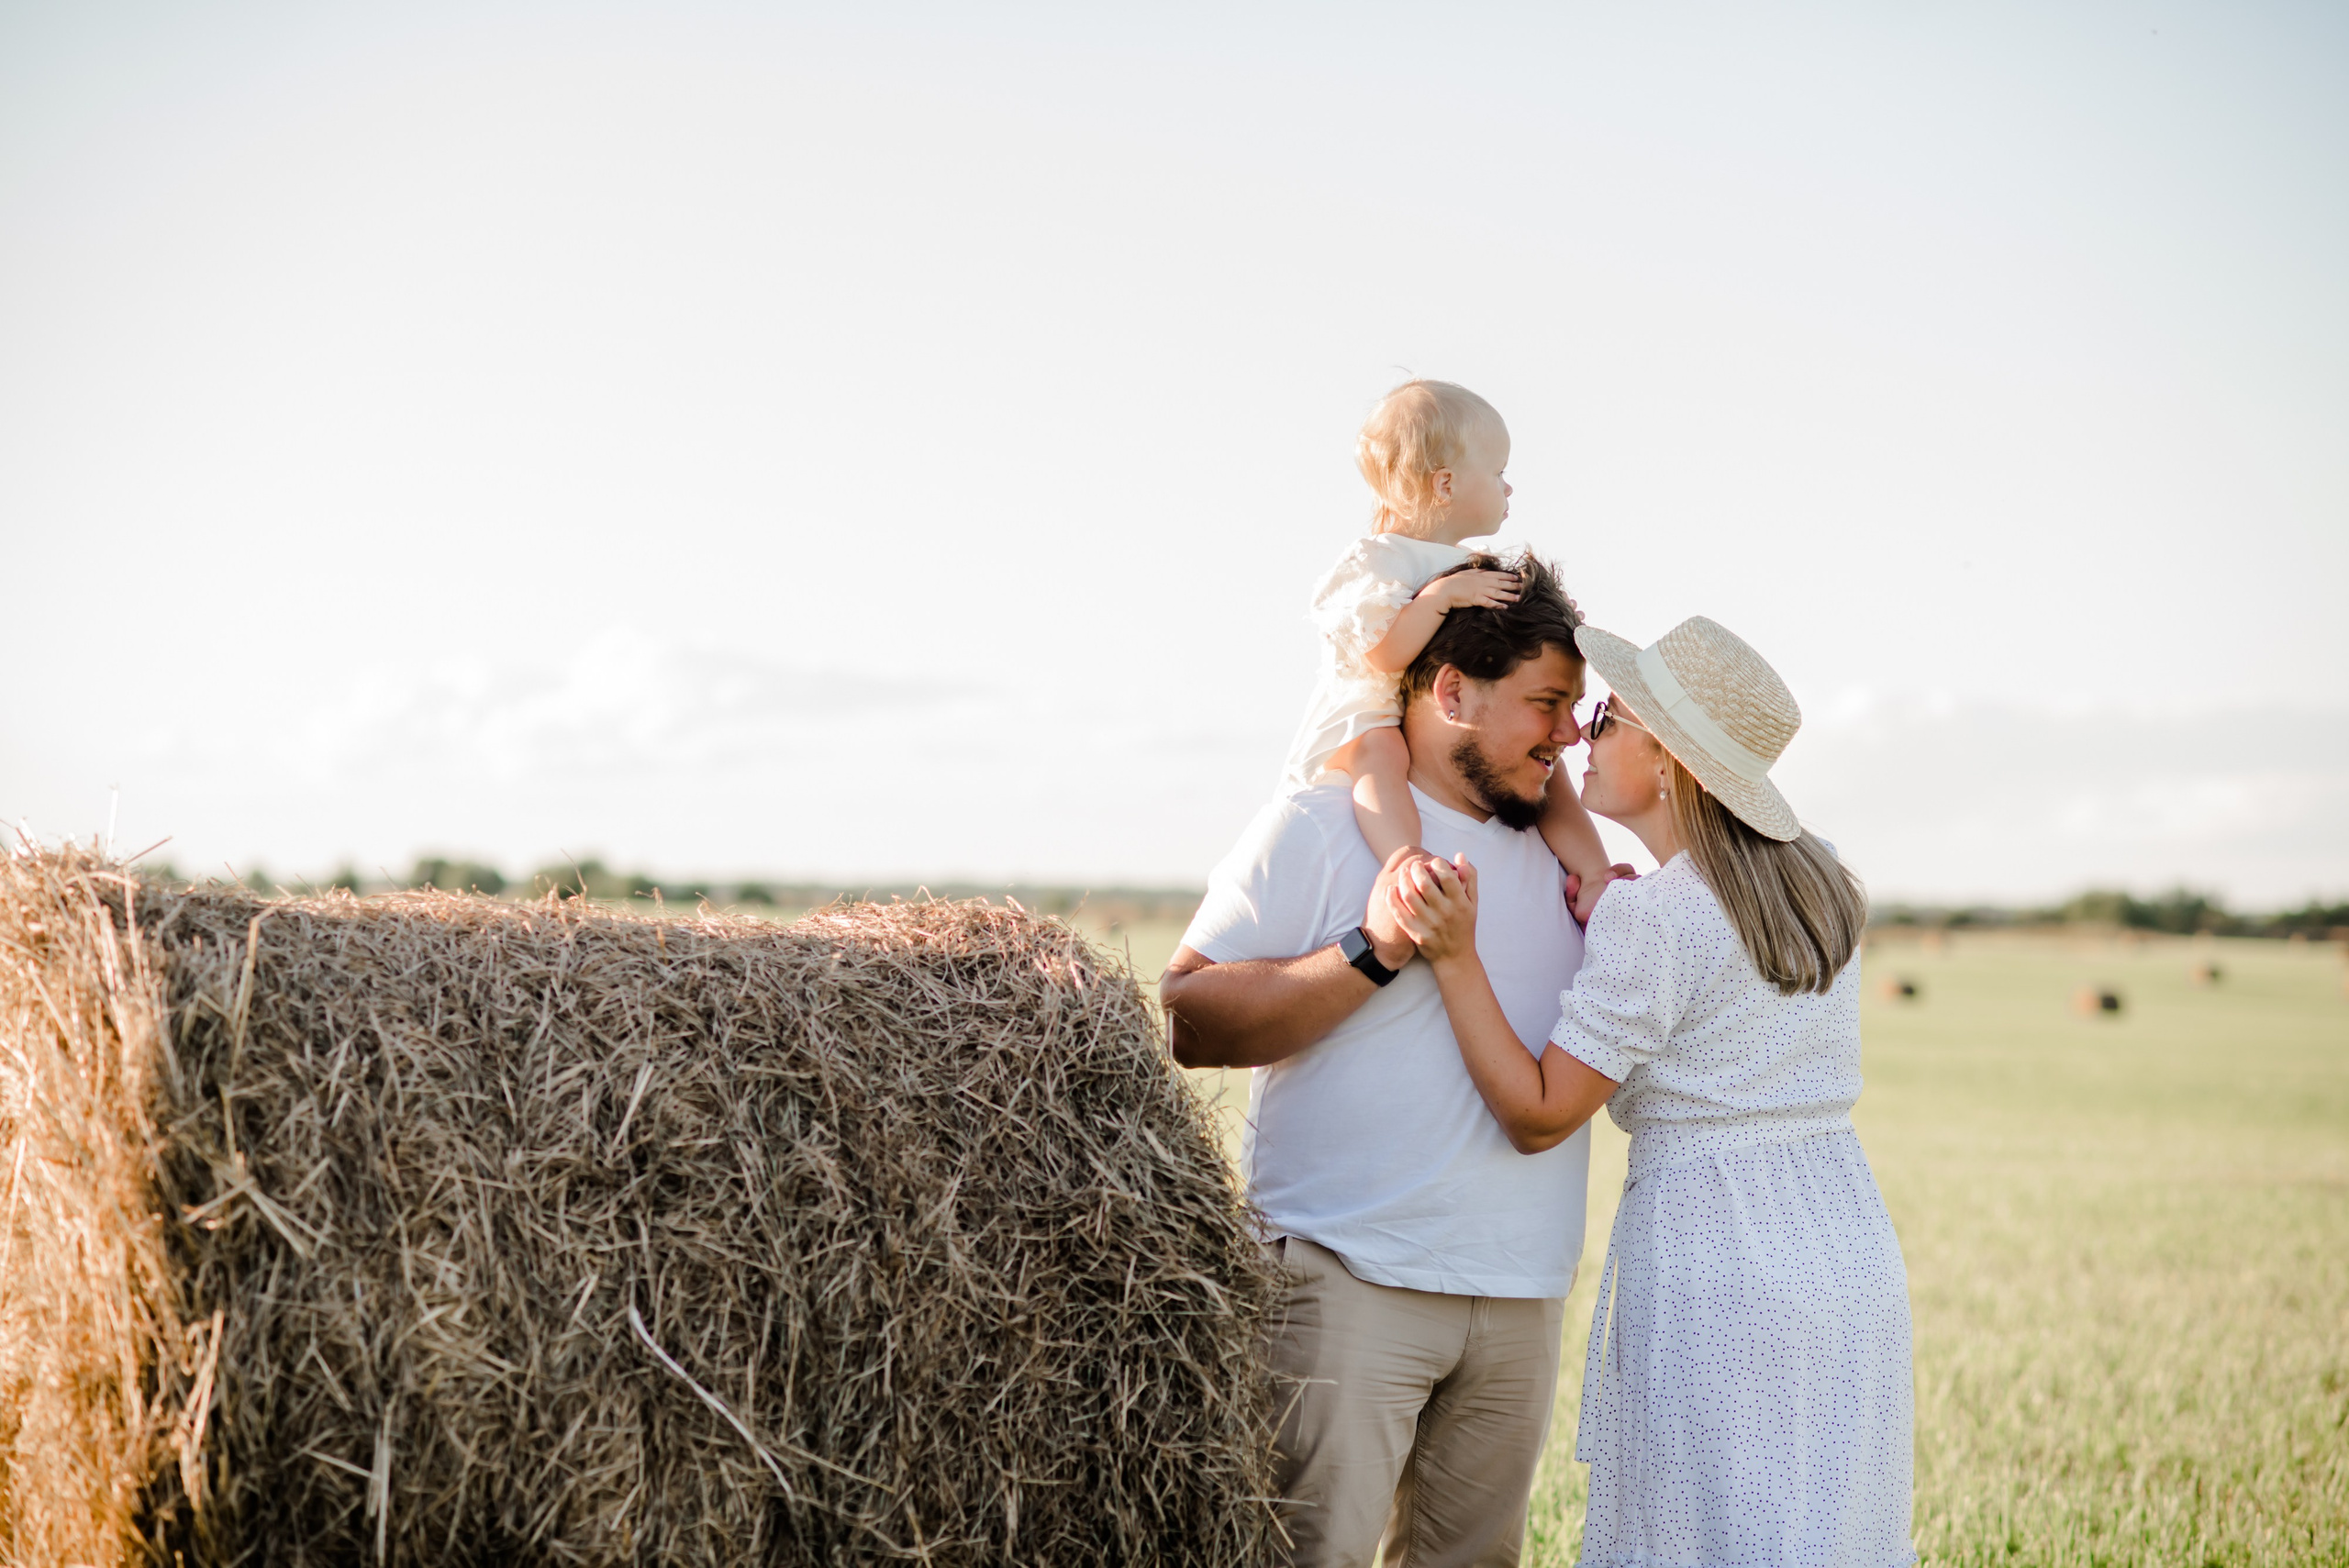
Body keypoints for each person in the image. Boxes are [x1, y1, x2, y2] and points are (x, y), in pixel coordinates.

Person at [1392, 616, 1916, 1568]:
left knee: (1703, 1535)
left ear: (1670, 759)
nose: (1583, 734)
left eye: (1608, 717)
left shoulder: (1656, 917)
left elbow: (1541, 1110)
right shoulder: (1821, 879)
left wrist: (1455, 954)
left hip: (1718, 1252)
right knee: (1821, 1533)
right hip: (1846, 1242)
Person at [1163, 552, 1628, 1568]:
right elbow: (1187, 1017)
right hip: (1342, 1284)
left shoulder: (1571, 857)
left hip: (1520, 1293)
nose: (1563, 733)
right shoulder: (1319, 822)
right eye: (1545, 702)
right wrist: (1368, 951)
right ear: (1451, 689)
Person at [1283, 379, 1620, 922]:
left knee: (1545, 765)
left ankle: (1597, 872)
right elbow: (1382, 656)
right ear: (1445, 484)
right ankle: (1403, 857)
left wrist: (1549, 618)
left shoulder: (1465, 563)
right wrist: (1438, 600)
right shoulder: (1380, 560)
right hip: (1373, 709)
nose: (1509, 489)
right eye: (1498, 473)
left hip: (1432, 712)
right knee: (1380, 755)